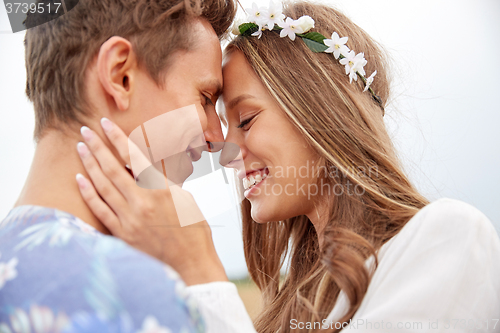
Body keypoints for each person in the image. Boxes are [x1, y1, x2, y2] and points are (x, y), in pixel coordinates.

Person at [73, 1, 500, 333]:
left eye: (246, 120)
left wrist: (200, 268)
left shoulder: (450, 238)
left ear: (320, 112)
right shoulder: (297, 302)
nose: (225, 148)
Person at [0, 0, 238, 331]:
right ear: (120, 75)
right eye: (206, 98)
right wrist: (204, 273)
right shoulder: (139, 294)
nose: (216, 136)